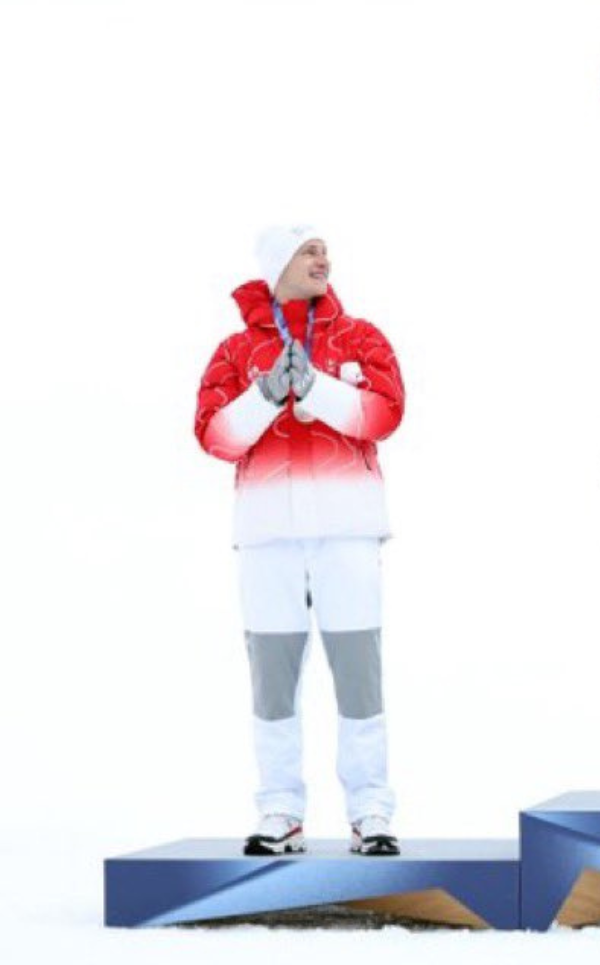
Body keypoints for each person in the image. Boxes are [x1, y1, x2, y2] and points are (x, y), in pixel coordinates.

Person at [194, 225, 405, 856]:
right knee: (273, 682)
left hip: (347, 530)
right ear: (276, 262)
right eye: (308, 249)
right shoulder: (235, 352)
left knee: (358, 677)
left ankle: (371, 811)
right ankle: (280, 810)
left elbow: (385, 414)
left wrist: (319, 388)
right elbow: (214, 436)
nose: (323, 258)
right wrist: (264, 396)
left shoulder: (360, 338)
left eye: (324, 249)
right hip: (267, 536)